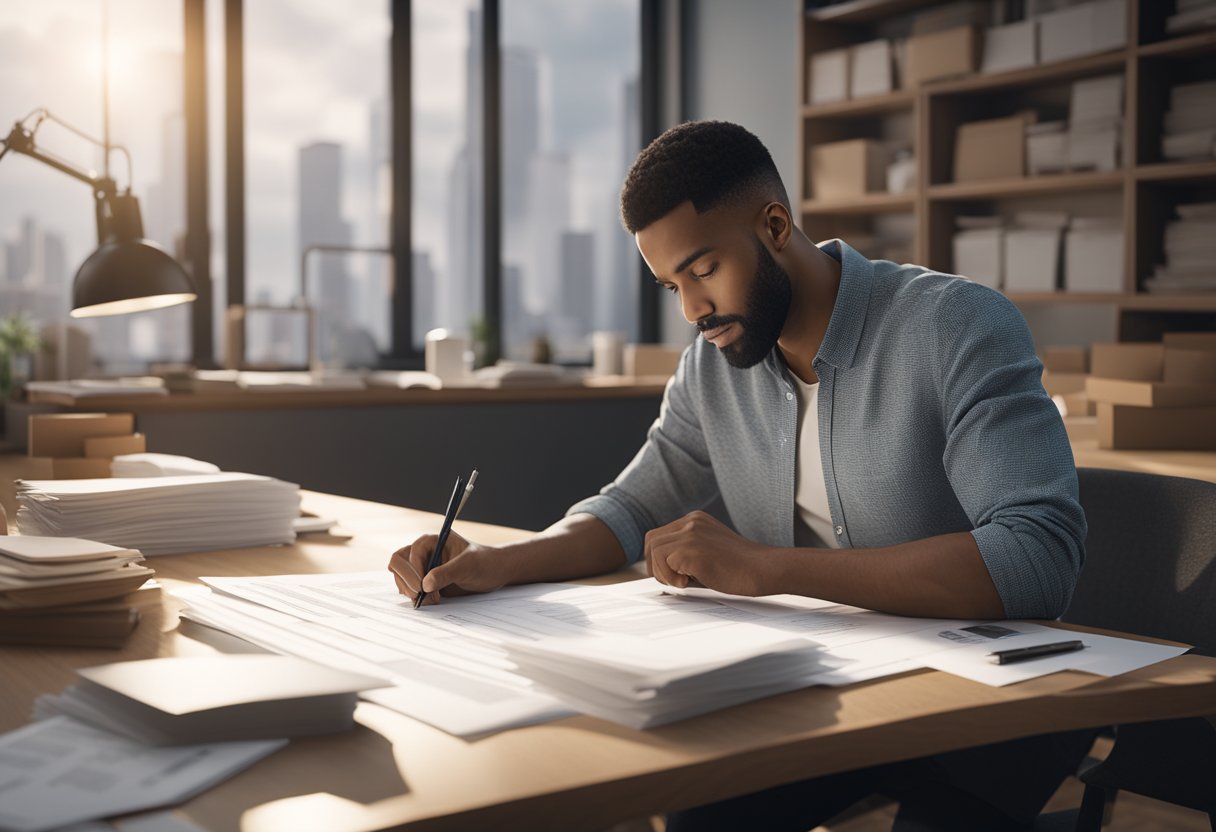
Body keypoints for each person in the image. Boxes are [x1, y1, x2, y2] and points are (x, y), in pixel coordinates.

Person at [389, 120, 1090, 831]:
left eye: (702, 270)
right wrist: (499, 562)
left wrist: (769, 569)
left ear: (775, 225)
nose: (693, 310)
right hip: (826, 689)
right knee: (699, 817)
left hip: (986, 708)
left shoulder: (956, 325)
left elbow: (1037, 555)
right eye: (671, 285)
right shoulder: (713, 364)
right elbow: (631, 506)